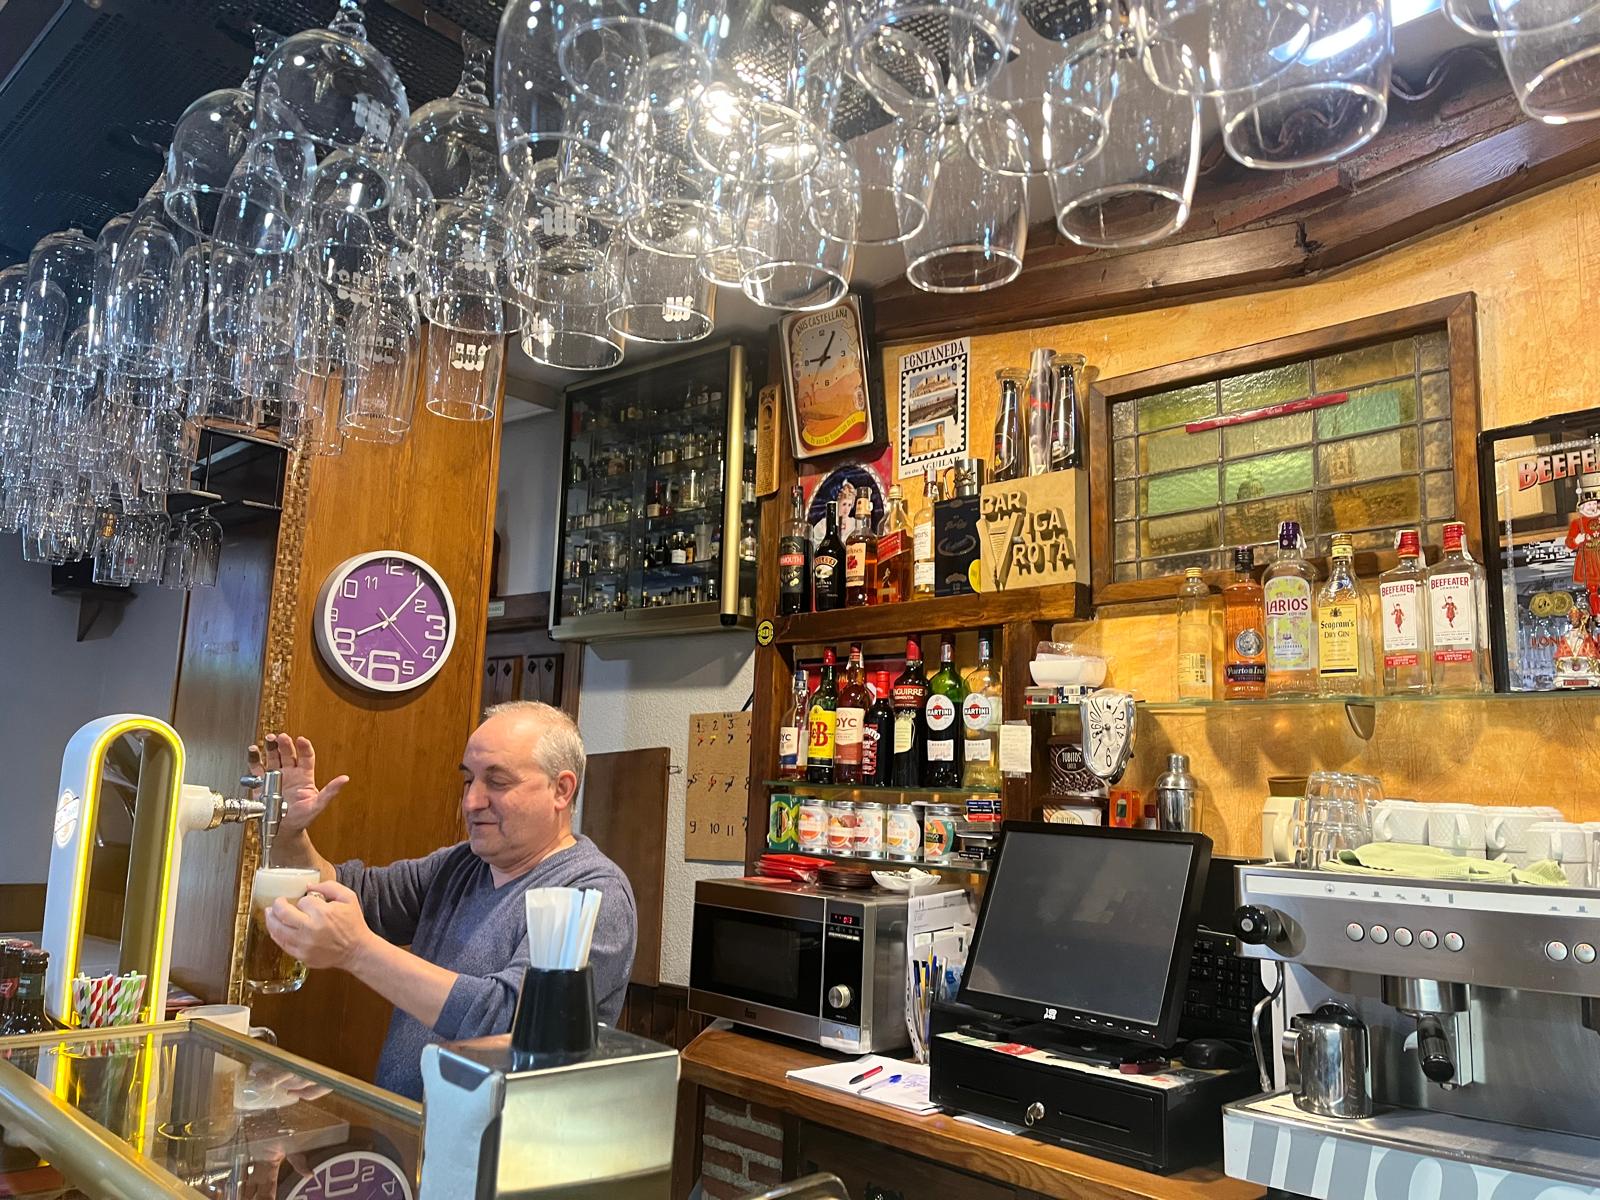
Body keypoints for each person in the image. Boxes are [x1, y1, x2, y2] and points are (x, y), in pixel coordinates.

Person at [250, 701, 636, 1101]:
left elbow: (510, 1023)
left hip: (500, 1139)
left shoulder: (592, 892)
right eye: (469, 780)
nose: (471, 801)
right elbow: (347, 891)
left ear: (561, 789)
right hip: (407, 1127)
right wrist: (289, 832)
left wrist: (357, 951)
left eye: (497, 781)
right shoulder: (460, 865)